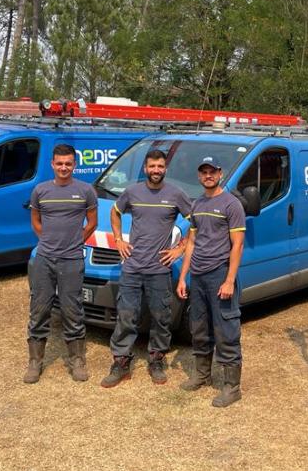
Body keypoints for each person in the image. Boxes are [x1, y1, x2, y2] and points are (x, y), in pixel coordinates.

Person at [100, 149, 193, 388]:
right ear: (145, 168)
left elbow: (195, 221)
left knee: (161, 317)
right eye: (152, 166)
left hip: (160, 269)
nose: (156, 170)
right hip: (132, 268)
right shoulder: (132, 191)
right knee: (126, 316)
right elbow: (115, 211)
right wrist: (119, 239)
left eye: (160, 166)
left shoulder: (175, 194)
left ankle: (157, 360)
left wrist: (180, 249)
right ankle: (121, 362)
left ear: (165, 168)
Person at [23, 143, 98, 384]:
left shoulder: (86, 191)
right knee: (39, 308)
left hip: (72, 259)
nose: (64, 167)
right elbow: (35, 220)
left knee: (72, 309)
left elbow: (92, 223)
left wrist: (76, 243)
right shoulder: (40, 190)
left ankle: (77, 360)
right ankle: (35, 362)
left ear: (75, 165)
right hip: (45, 259)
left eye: (68, 163)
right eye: (59, 163)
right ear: (52, 164)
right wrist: (46, 240)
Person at [176, 156, 246, 407]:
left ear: (220, 173)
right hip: (198, 276)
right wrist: (184, 276)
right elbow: (191, 243)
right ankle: (202, 375)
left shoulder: (231, 204)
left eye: (212, 171)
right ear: (199, 175)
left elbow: (237, 245)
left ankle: (232, 387)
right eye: (203, 171)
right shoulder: (197, 204)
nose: (208, 175)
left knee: (226, 329)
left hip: (219, 274)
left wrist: (229, 280)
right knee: (199, 327)